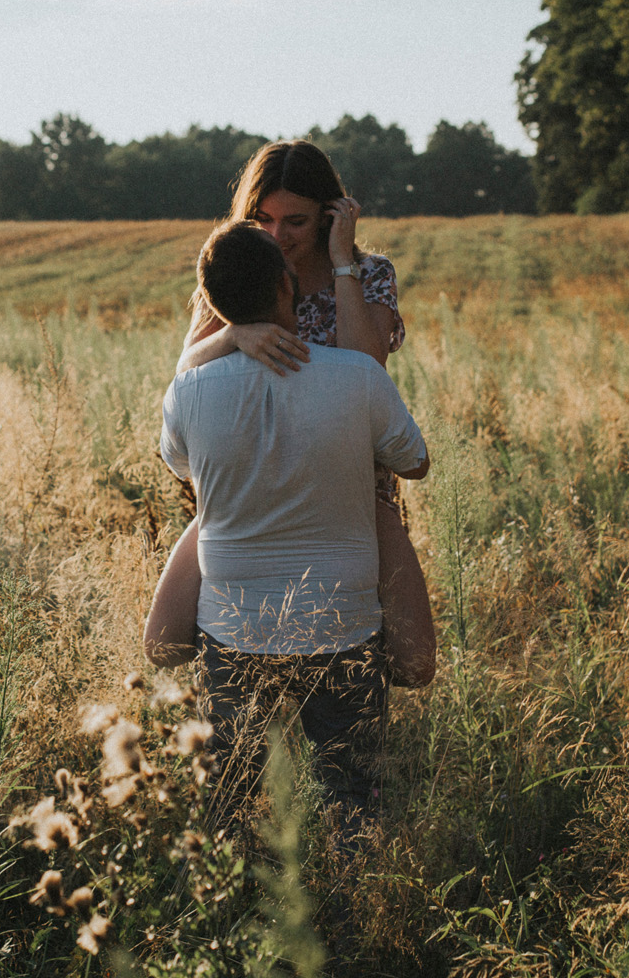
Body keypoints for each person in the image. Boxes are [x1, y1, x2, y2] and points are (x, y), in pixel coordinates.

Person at [156, 219, 430, 836]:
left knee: (225, 798)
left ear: (212, 302)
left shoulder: (187, 392)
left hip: (231, 628)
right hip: (344, 622)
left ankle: (228, 909)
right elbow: (415, 464)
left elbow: (179, 466)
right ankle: (352, 907)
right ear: (287, 284)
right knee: (353, 796)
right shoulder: (358, 376)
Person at [144, 139, 437, 687]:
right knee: (246, 642)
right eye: (264, 219)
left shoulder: (370, 273)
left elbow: (364, 366)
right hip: (252, 486)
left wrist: (344, 263)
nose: (278, 237)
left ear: (331, 215)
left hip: (347, 486)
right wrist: (235, 332)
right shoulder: (240, 270)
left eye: (297, 221)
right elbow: (185, 372)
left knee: (355, 644)